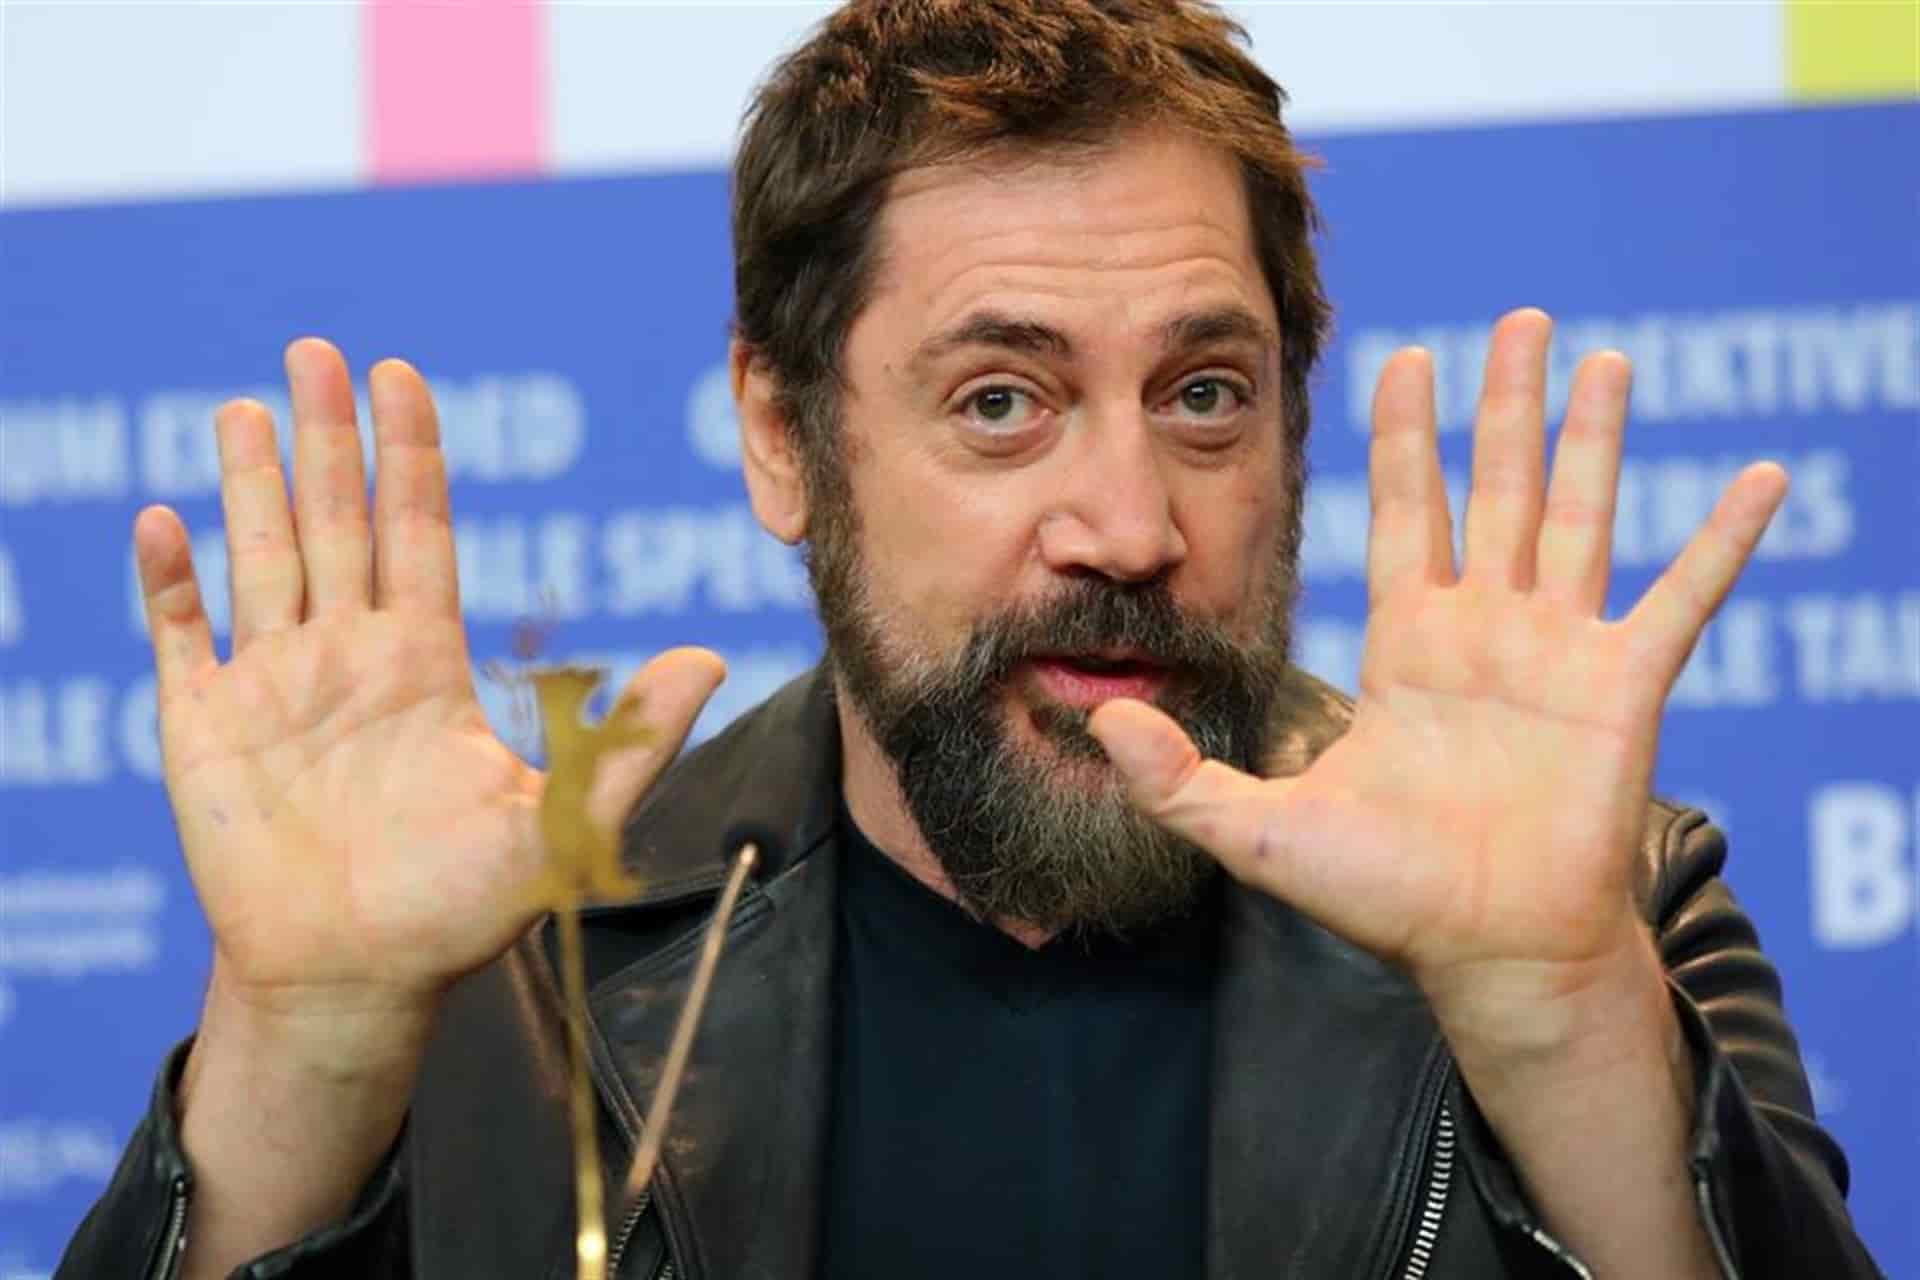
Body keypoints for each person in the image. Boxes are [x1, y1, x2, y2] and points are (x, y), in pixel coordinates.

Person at [59, 2, 1881, 1278]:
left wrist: (1557, 1020)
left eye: (1206, 393)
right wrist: (303, 1051)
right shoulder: (504, 968)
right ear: (784, 437)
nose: (1131, 525)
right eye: (1002, 400)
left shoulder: (1598, 908)